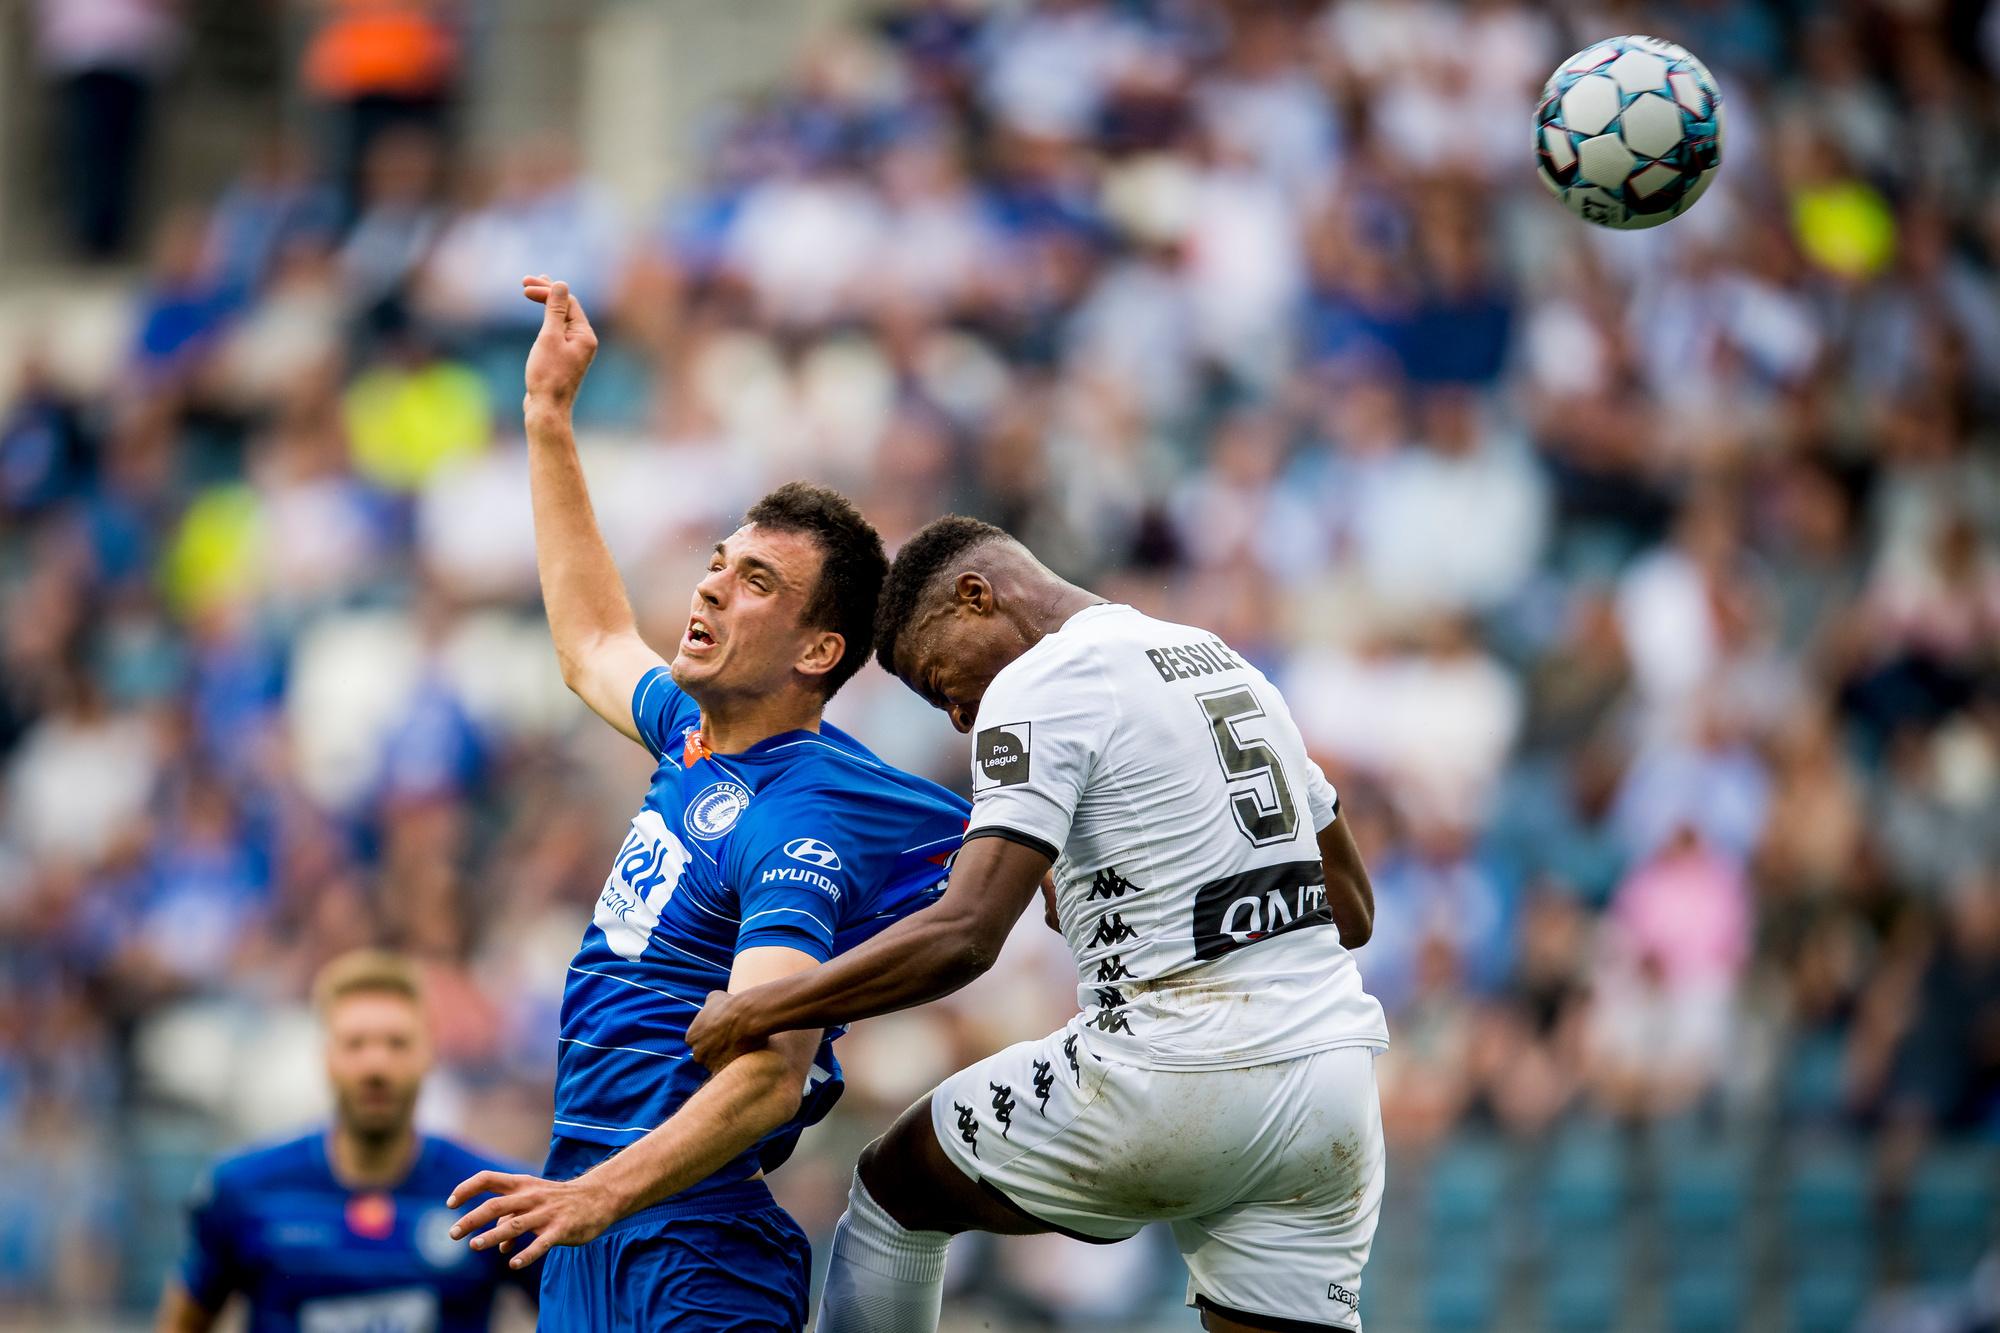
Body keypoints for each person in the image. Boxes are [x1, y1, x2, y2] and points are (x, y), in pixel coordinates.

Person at [689, 515, 1390, 1333]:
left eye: (941, 678)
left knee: (895, 1189)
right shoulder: (1225, 663)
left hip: (1170, 1068)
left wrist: (761, 1007)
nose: (958, 715)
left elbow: (966, 934)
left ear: (976, 597)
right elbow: (1352, 906)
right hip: (1332, 1088)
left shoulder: (1045, 676)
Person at [443, 278, 971, 1331]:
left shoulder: (800, 817)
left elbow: (771, 1076)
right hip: (589, 1224)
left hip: (686, 1247)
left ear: (819, 651)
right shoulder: (694, 739)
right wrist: (548, 420)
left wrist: (597, 1195)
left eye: (757, 583)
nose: (712, 587)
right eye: (717, 563)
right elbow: (591, 641)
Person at [155, 950, 536, 1332]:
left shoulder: (493, 1197)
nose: (376, 1065)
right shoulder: (244, 1190)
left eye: (397, 1043)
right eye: (356, 1044)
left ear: (428, 1055)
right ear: (326, 1057)